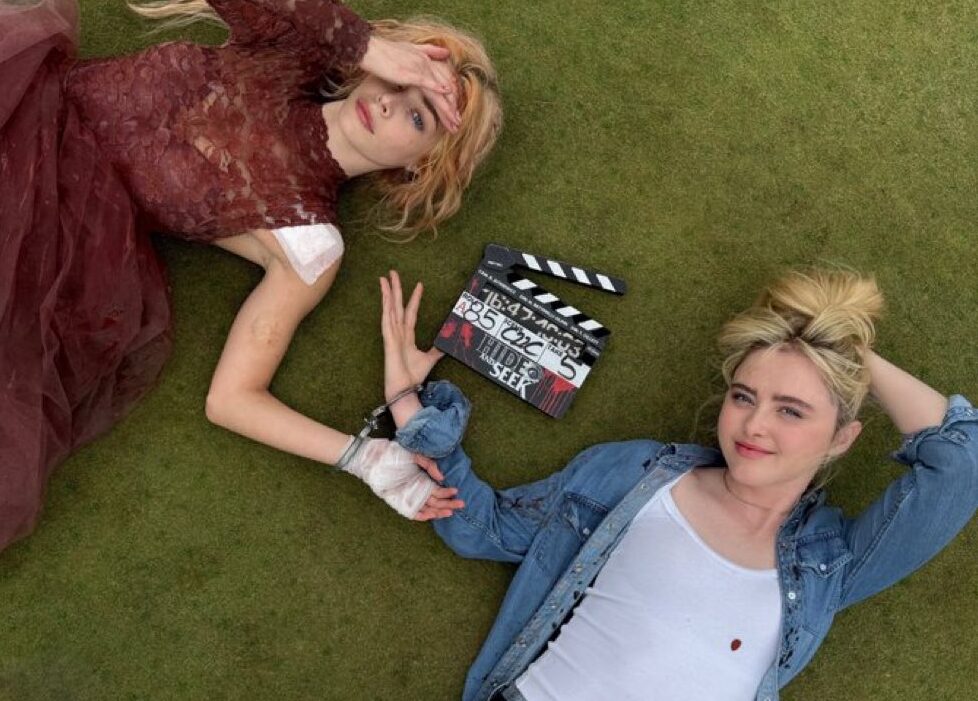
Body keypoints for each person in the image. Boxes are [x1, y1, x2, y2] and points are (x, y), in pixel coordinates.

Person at [0, 0, 500, 552]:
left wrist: (365, 458)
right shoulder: (293, 48)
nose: (388, 101)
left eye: (417, 116)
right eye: (400, 82)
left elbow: (231, 399)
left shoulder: (308, 239)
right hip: (18, 97)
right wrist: (365, 45)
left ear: (422, 164)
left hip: (40, 230)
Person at [377, 268, 978, 701]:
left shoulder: (831, 564)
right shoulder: (635, 475)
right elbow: (484, 529)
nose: (755, 425)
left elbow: (962, 463)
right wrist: (411, 408)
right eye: (744, 397)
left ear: (842, 437)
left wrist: (845, 352)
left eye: (791, 411)